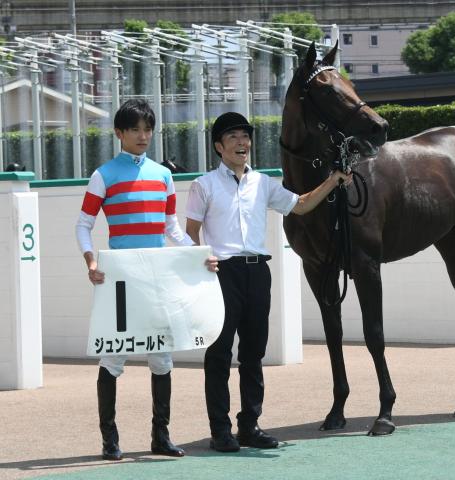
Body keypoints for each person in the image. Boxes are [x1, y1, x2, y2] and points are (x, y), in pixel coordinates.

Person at [185, 112, 352, 453]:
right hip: (222, 273)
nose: (242, 142)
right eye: (233, 137)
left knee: (253, 352)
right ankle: (220, 431)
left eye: (245, 136)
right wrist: (200, 257)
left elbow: (301, 205)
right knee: (219, 353)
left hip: (257, 272)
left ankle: (249, 426)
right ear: (219, 146)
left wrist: (334, 179)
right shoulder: (204, 185)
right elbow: (190, 232)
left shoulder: (263, 183)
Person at [75, 99, 216, 461]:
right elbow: (83, 225)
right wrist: (91, 261)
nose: (142, 135)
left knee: (162, 358)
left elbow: (172, 228)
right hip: (120, 281)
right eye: (135, 129)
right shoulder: (103, 174)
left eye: (147, 129)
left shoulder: (163, 175)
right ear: (119, 133)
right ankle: (109, 440)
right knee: (112, 360)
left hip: (156, 279)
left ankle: (161, 437)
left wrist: (199, 254)